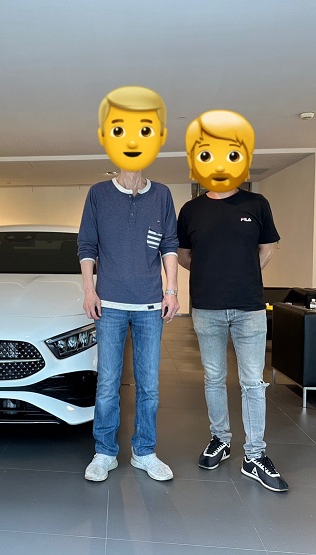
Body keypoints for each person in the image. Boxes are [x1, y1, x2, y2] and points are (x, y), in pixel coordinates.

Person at [177, 109, 288, 492]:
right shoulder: (191, 210)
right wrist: (212, 272)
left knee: (252, 382)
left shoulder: (256, 204)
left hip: (249, 307)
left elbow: (267, 248)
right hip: (206, 306)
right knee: (213, 378)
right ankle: (220, 440)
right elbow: (185, 255)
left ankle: (254, 455)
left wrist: (242, 272)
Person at [78, 86, 179, 482]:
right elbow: (87, 246)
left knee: (149, 386)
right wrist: (89, 290)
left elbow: (169, 245)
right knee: (107, 384)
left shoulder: (162, 196)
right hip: (110, 305)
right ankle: (104, 452)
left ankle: (144, 451)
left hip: (151, 305)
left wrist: (172, 291)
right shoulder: (98, 195)